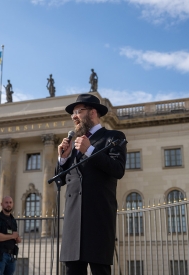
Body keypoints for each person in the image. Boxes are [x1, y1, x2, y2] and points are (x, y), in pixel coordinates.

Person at [56, 93, 127, 275]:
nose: (74, 116)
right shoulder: (73, 144)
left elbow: (118, 169)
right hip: (73, 222)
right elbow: (60, 180)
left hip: (98, 221)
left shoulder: (113, 137)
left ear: (93, 112)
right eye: (72, 113)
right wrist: (63, 160)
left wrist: (90, 150)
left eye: (78, 111)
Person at [0, 196, 21, 275]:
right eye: (6, 202)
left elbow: (14, 235)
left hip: (11, 256)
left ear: (12, 204)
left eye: (10, 202)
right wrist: (12, 236)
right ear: (1, 204)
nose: (8, 204)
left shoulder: (13, 220)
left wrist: (17, 238)